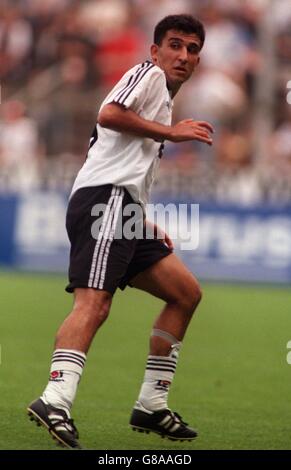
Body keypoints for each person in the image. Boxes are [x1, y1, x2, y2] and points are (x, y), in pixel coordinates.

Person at [27, 14, 214, 449]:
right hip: (105, 201)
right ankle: (54, 397)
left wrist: (142, 219)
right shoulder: (146, 74)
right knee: (95, 303)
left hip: (123, 206)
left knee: (185, 293)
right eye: (174, 45)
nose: (183, 55)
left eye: (192, 49)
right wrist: (171, 132)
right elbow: (108, 114)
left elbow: (120, 156)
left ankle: (151, 404)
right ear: (155, 51)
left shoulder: (162, 99)